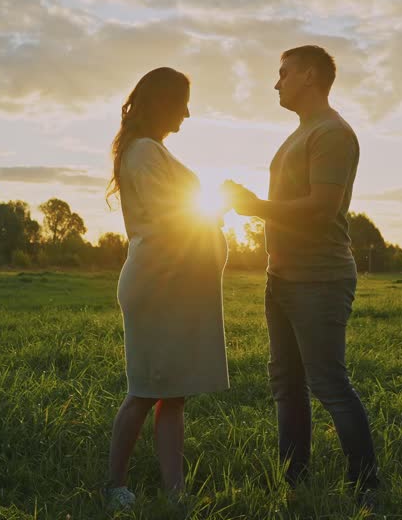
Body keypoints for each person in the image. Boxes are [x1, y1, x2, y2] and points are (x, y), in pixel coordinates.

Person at [224, 45, 379, 508]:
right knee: (285, 384)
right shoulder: (301, 133)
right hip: (283, 277)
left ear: (310, 76)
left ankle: (367, 487)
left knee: (328, 383)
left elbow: (320, 208)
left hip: (319, 277)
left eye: (283, 73)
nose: (276, 83)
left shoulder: (332, 133)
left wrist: (250, 206)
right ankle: (293, 481)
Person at [103, 67, 229, 511]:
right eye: (183, 103)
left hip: (171, 283)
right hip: (157, 285)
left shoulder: (150, 151)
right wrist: (215, 218)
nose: (189, 113)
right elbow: (170, 223)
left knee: (172, 392)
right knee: (145, 389)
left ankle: (176, 494)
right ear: (163, 103)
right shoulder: (143, 154)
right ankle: (114, 485)